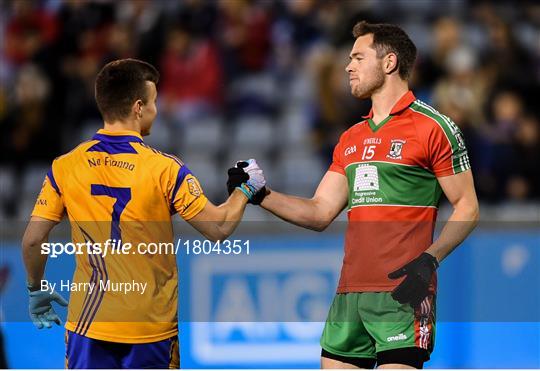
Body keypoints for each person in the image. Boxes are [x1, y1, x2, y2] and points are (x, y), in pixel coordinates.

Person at [228, 21, 479, 369]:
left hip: (403, 293)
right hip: (349, 296)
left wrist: (430, 260)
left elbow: (467, 206)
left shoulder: (434, 128)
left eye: (358, 58)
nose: (348, 66)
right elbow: (319, 212)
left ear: (389, 63)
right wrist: (260, 194)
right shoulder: (351, 138)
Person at [22, 58, 265, 369]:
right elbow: (218, 227)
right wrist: (245, 190)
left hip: (89, 323)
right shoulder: (164, 169)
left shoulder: (65, 166)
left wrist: (35, 288)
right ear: (138, 107)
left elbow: (33, 239)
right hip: (151, 328)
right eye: (154, 102)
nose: (156, 110)